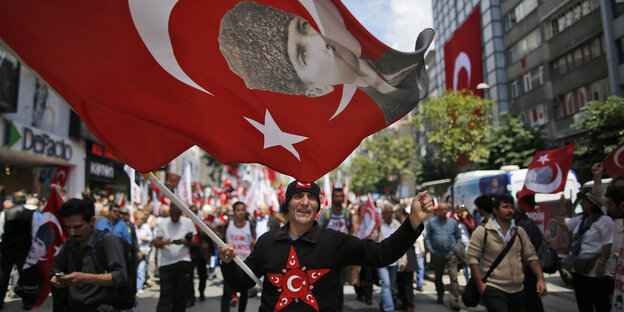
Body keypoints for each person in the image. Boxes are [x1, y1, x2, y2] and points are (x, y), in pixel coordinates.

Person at [217, 181, 433, 311]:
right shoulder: (267, 242)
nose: (304, 202)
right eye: (297, 196)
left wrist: (412, 223)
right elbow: (239, 283)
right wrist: (227, 262)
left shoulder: (335, 242)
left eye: (311, 197)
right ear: (288, 204)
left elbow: (381, 255)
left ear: (318, 207)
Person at [217, 1, 433, 124]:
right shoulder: (364, 119)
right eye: (302, 54)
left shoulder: (390, 64)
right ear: (317, 90)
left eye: (303, 28)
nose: (319, 41)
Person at [467, 194, 547, 312]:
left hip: (518, 289)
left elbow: (531, 256)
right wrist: (481, 286)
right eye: (505, 207)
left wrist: (540, 278)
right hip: (494, 288)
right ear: (496, 210)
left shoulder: (519, 232)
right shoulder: (483, 231)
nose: (509, 211)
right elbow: (472, 259)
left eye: (511, 207)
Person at [49, 198, 128, 312]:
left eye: (77, 227)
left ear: (92, 221)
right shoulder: (69, 243)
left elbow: (120, 276)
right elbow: (55, 269)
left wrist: (86, 278)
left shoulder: (107, 240)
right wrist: (56, 278)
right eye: (68, 228)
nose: (72, 232)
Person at [557, 191, 614, 312]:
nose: (582, 204)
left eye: (584, 201)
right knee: (583, 303)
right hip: (580, 269)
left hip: (595, 269)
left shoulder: (605, 221)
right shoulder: (580, 220)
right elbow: (562, 223)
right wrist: (561, 206)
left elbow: (607, 244)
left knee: (601, 303)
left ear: (592, 204)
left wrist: (602, 264)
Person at [153, 204, 198, 312]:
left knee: (180, 295)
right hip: (166, 264)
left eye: (177, 215)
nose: (174, 217)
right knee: (165, 294)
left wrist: (184, 242)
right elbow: (156, 242)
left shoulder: (187, 222)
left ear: (181, 213)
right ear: (169, 212)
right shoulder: (163, 223)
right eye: (172, 215)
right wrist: (166, 242)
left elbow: (195, 242)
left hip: (183, 262)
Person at [317, 187, 353, 311]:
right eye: (336, 196)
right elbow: (318, 231)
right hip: (327, 254)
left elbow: (352, 230)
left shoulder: (348, 214)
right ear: (332, 198)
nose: (338, 198)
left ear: (343, 198)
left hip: (342, 254)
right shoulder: (326, 213)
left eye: (340, 196)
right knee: (327, 283)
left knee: (340, 284)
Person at [219, 201, 256, 312]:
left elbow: (253, 242)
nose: (240, 212)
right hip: (230, 262)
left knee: (244, 292)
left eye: (242, 210)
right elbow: (220, 239)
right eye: (238, 210)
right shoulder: (227, 225)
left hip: (245, 263)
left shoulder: (250, 225)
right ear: (234, 212)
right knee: (227, 291)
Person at [0, 191, 34, 309]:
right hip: (24, 248)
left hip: (7, 248)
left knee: (3, 276)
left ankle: (0, 301)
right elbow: (34, 232)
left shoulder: (5, 213)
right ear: (24, 200)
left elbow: (1, 231)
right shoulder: (31, 214)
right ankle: (27, 301)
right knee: (25, 275)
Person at [425, 202, 461, 310]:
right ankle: (440, 294)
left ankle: (454, 301)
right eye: (442, 209)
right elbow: (428, 238)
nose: (444, 211)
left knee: (453, 277)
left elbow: (458, 236)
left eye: (446, 209)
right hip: (437, 254)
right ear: (437, 211)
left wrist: (457, 247)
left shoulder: (452, 222)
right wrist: (430, 249)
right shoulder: (432, 223)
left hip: (450, 253)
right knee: (438, 276)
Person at [514, 195, 546, 312]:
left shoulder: (522, 226)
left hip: (528, 267)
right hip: (531, 265)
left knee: (530, 298)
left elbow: (527, 248)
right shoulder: (528, 222)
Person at [394, 207, 416, 312]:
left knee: (407, 283)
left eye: (396, 211)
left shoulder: (407, 223)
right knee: (400, 282)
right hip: (400, 256)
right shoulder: (398, 223)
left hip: (408, 256)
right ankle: (404, 302)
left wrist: (405, 261)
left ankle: (410, 304)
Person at [134, 211, 152, 292]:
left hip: (143, 251)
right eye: (138, 219)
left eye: (141, 219)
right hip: (135, 251)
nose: (139, 221)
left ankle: (139, 287)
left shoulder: (146, 227)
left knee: (141, 269)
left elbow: (151, 238)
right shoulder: (132, 227)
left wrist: (146, 239)